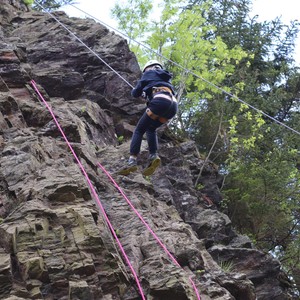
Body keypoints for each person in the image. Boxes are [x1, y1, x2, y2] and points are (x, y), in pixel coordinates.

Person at [119, 60, 178, 176]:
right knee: (151, 129)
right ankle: (153, 156)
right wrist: (147, 93)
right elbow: (158, 87)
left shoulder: (148, 73)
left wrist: (138, 91)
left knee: (139, 130)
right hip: (173, 106)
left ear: (148, 68)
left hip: (160, 101)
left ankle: (132, 160)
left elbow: (135, 94)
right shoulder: (166, 77)